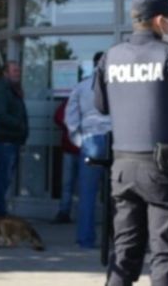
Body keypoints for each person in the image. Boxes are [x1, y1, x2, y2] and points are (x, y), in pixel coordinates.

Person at [95, 0, 168, 286]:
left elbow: (101, 105)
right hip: (162, 170)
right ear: (159, 21)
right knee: (165, 252)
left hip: (122, 168)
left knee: (124, 252)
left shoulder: (110, 57)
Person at [65, 51, 111, 248]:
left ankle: (85, 240)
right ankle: (121, 239)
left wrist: (79, 140)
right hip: (114, 140)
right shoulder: (118, 85)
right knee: (120, 195)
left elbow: (71, 117)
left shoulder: (82, 85)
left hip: (91, 141)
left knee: (87, 194)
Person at [0, 60, 29, 216]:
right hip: (5, 140)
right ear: (5, 73)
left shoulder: (13, 89)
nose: (17, 74)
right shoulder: (2, 89)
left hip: (11, 140)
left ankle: (0, 210)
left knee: (5, 178)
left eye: (18, 71)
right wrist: (19, 125)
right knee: (2, 179)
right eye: (14, 71)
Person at [53, 91, 80, 224]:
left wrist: (67, 127)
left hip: (70, 147)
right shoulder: (87, 102)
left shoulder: (69, 102)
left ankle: (65, 211)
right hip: (81, 149)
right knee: (79, 184)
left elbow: (58, 117)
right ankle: (78, 213)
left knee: (68, 184)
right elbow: (58, 117)